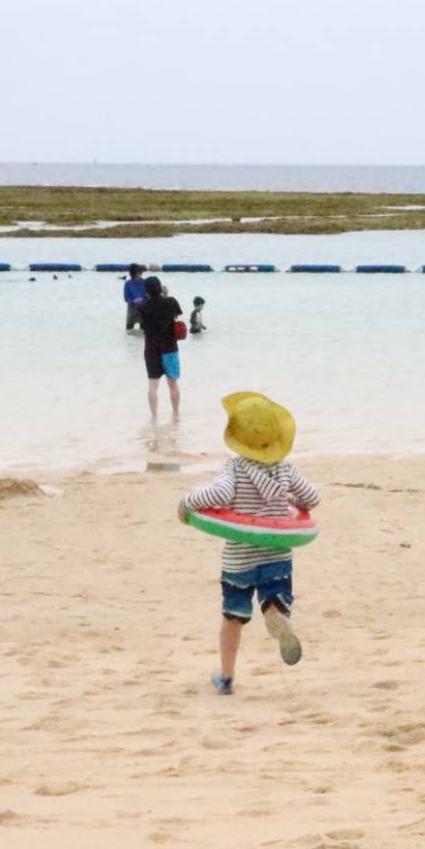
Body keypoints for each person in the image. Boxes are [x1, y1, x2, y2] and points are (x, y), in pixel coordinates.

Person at [178, 392, 320, 695]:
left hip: (239, 559)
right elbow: (312, 498)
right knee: (274, 599)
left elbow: (218, 495)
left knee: (233, 617)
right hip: (277, 554)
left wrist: (186, 503)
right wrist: (291, 501)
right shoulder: (285, 468)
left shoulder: (235, 468)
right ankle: (275, 613)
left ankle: (226, 677)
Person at [138, 276, 183, 419]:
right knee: (173, 384)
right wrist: (166, 295)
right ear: (160, 287)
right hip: (170, 348)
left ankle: (154, 417)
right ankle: (175, 414)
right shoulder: (171, 301)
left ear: (146, 290)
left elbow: (143, 326)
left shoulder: (143, 307)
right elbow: (176, 315)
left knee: (153, 386)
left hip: (152, 349)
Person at [123, 264, 148, 331]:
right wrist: (133, 301)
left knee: (144, 329)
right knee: (129, 329)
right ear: (132, 274)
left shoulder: (144, 282)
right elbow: (126, 297)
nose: (140, 275)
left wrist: (142, 300)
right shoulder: (128, 283)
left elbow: (148, 296)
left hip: (143, 309)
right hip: (132, 309)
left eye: (140, 273)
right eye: (138, 273)